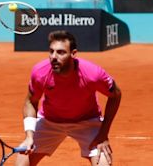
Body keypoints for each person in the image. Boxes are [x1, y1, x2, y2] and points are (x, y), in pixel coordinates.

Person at [16, 30, 122, 166]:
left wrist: (103, 134)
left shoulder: (93, 74)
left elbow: (116, 95)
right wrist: (29, 137)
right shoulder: (40, 72)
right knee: (21, 162)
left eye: (61, 52)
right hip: (50, 121)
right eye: (51, 51)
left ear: (73, 54)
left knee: (103, 162)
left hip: (87, 121)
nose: (54, 57)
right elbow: (31, 101)